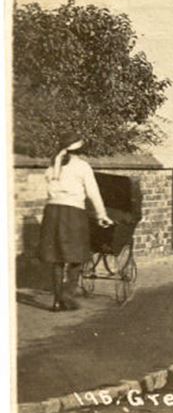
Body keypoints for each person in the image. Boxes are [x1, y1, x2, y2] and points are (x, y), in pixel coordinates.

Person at [39, 133, 113, 312]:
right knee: (77, 255)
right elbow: (93, 193)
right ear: (80, 150)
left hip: (52, 212)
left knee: (57, 258)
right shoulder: (82, 166)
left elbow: (47, 192)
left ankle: (57, 301)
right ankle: (67, 296)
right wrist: (102, 214)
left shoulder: (52, 166)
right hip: (72, 213)